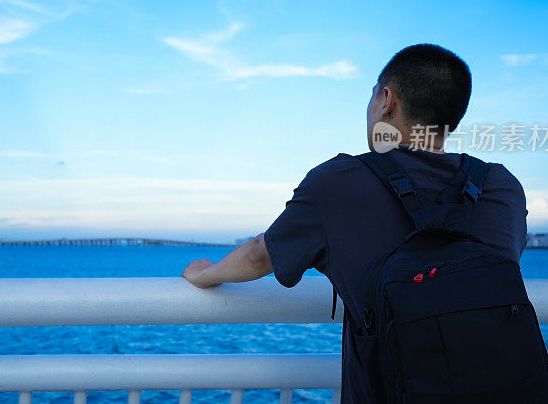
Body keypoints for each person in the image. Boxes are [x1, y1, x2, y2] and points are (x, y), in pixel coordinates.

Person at [182, 44, 528, 403]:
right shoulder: (502, 187)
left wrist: (205, 274)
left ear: (386, 100)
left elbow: (259, 255)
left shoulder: (340, 181)